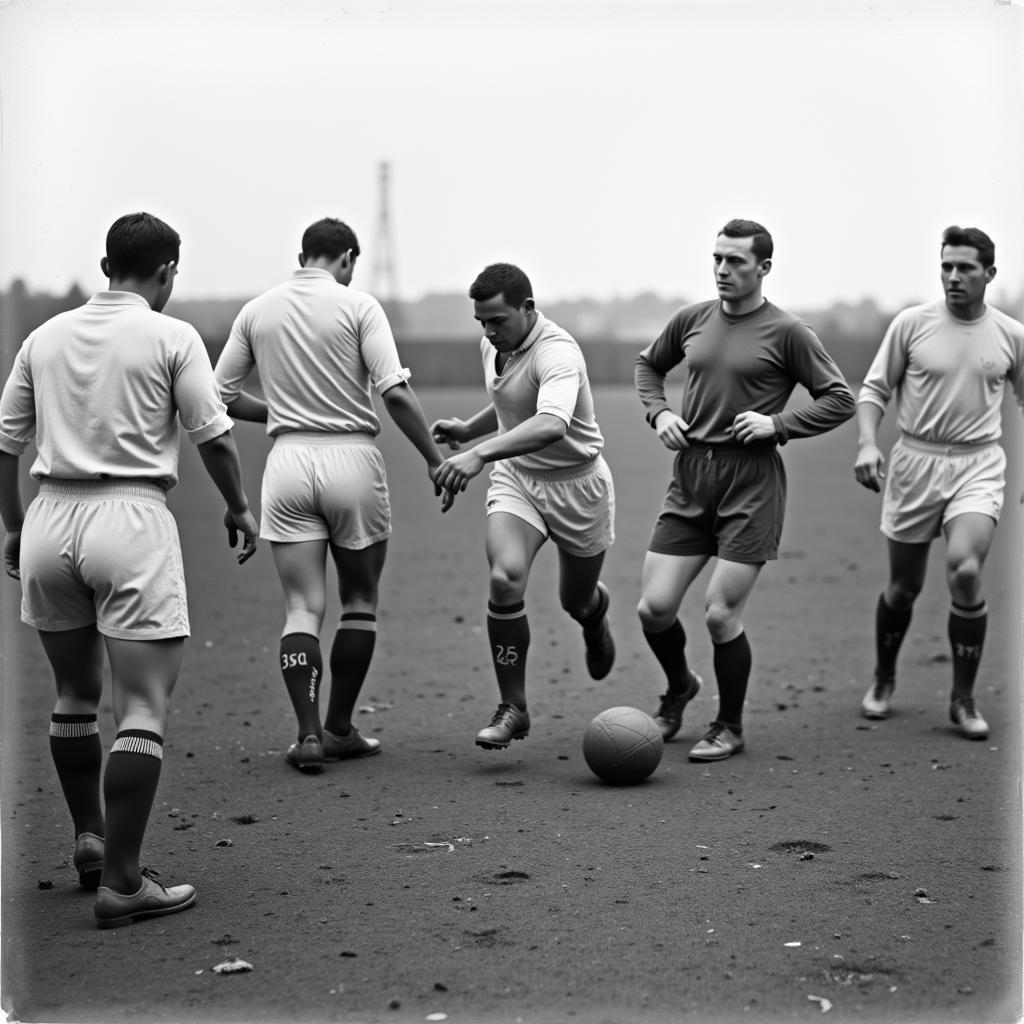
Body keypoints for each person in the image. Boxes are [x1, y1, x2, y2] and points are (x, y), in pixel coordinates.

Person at [0, 213, 259, 928]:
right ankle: (122, 881)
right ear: (168, 272)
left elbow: (4, 443)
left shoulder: (43, 337)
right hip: (131, 516)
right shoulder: (172, 337)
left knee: (74, 694)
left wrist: (16, 528)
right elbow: (215, 436)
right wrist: (239, 507)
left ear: (107, 262)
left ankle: (90, 838)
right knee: (139, 708)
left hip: (51, 517)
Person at [214, 217, 452, 773]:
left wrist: (279, 413)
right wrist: (435, 460)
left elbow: (218, 398)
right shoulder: (359, 306)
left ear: (302, 255)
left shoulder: (257, 311)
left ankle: (308, 734)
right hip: (351, 459)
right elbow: (393, 392)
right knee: (359, 601)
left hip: (288, 462)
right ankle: (341, 726)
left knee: (302, 607)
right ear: (347, 258)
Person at [635, 219, 855, 761]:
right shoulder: (691, 319)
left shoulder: (789, 332)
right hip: (690, 477)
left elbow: (840, 399)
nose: (723, 270)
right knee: (652, 610)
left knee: (718, 614)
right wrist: (659, 412)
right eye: (717, 259)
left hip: (751, 484)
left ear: (764, 268)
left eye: (735, 261)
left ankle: (728, 725)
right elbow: (648, 366)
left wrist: (778, 425)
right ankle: (681, 686)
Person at [431, 263, 616, 750]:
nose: (489, 332)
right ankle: (514, 707)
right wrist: (469, 430)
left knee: (574, 601)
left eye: (498, 320)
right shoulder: (495, 343)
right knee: (504, 577)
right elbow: (514, 400)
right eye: (482, 323)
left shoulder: (558, 353)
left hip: (578, 486)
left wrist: (477, 453)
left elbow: (551, 422)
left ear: (528, 309)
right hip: (518, 479)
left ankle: (595, 615)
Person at [854, 225, 1024, 740]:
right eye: (946, 266)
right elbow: (873, 390)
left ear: (989, 274)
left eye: (965, 268)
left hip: (978, 464)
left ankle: (963, 699)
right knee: (905, 587)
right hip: (915, 462)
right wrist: (867, 441)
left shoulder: (1011, 335)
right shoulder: (912, 324)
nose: (952, 276)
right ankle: (884, 678)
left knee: (965, 572)